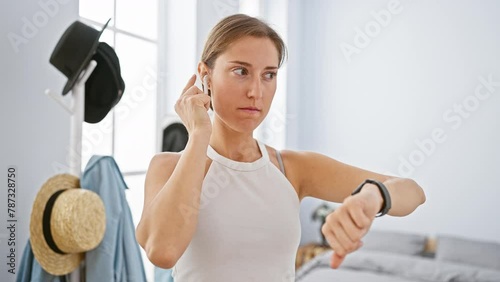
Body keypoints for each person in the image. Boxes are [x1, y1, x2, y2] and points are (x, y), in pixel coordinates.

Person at [135, 14, 426, 281]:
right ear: (205, 75)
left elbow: (413, 192)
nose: (256, 92)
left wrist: (372, 195)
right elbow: (163, 250)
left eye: (269, 74)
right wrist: (199, 134)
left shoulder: (291, 169)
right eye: (240, 71)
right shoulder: (168, 167)